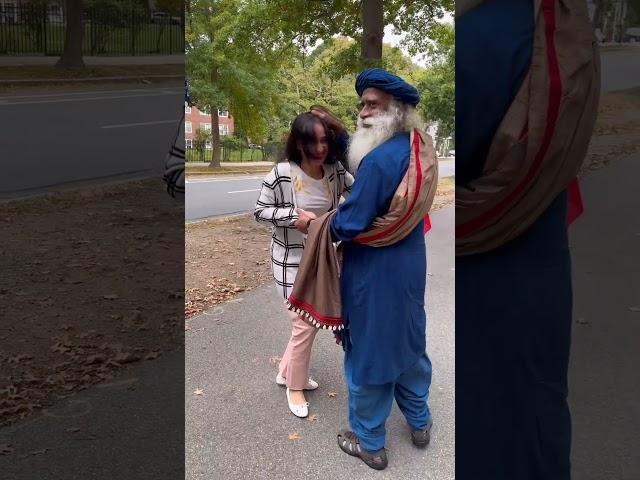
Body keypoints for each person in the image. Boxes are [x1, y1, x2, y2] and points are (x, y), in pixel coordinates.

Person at [455, 1, 599, 479]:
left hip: (481, 286)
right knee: (533, 427)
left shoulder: (482, 38)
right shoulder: (562, 26)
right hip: (538, 269)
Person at [294, 68, 438, 470]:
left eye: (372, 104)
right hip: (409, 262)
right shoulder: (418, 146)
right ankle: (420, 420)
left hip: (374, 269)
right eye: (361, 105)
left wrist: (317, 222)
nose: (363, 111)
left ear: (397, 109)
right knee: (409, 341)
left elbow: (351, 224)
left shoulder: (377, 161)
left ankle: (369, 441)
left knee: (369, 351)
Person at [254, 110, 353, 418]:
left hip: (319, 258)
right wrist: (291, 218)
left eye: (325, 140)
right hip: (288, 258)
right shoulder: (283, 172)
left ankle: (286, 372)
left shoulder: (334, 170)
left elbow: (359, 186)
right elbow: (259, 211)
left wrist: (346, 205)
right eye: (313, 141)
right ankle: (294, 387)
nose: (320, 148)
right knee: (304, 322)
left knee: (304, 323)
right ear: (298, 143)